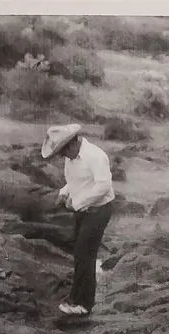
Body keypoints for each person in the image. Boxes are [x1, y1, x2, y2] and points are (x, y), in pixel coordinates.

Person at [41, 124, 114, 316]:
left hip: (99, 210)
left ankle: (84, 304)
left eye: (64, 151)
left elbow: (103, 186)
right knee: (79, 252)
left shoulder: (95, 156)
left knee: (85, 254)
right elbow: (75, 181)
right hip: (83, 208)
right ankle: (76, 297)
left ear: (73, 143)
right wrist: (63, 193)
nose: (64, 156)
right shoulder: (72, 158)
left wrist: (79, 202)